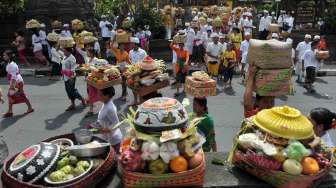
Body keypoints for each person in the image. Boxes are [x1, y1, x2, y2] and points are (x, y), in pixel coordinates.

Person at [2, 50, 34, 118]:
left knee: (13, 95)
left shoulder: (12, 65)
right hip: (17, 81)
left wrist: (12, 86)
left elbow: (13, 76)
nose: (3, 56)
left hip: (17, 82)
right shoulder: (10, 63)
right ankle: (11, 111)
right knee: (17, 95)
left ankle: (11, 111)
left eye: (5, 55)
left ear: (9, 56)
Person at [90, 87, 123, 152]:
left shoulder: (110, 108)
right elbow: (103, 119)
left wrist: (105, 129)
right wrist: (95, 124)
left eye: (100, 95)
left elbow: (116, 123)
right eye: (98, 94)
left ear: (107, 96)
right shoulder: (105, 104)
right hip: (107, 138)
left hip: (114, 140)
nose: (98, 96)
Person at [61, 47, 86, 111]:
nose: (63, 52)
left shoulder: (72, 58)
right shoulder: (64, 57)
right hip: (65, 76)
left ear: (68, 51)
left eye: (64, 51)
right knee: (68, 91)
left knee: (72, 91)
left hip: (71, 77)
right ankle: (73, 104)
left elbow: (72, 70)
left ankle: (82, 99)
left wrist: (69, 76)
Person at [85, 48, 107, 117]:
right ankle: (91, 109)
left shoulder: (96, 60)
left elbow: (101, 68)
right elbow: (88, 68)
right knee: (90, 93)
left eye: (88, 52)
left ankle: (104, 107)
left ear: (91, 53)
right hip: (90, 79)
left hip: (96, 80)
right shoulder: (88, 59)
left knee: (99, 93)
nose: (87, 53)